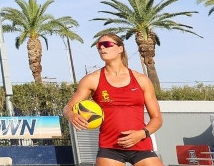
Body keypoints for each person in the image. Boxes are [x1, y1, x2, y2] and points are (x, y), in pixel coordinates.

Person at [63, 33, 163, 166]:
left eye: (107, 45)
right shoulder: (92, 79)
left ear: (120, 48)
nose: (102, 49)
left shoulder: (142, 80)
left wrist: (141, 134)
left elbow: (157, 119)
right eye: (99, 46)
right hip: (110, 148)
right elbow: (67, 108)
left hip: (141, 145)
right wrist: (71, 114)